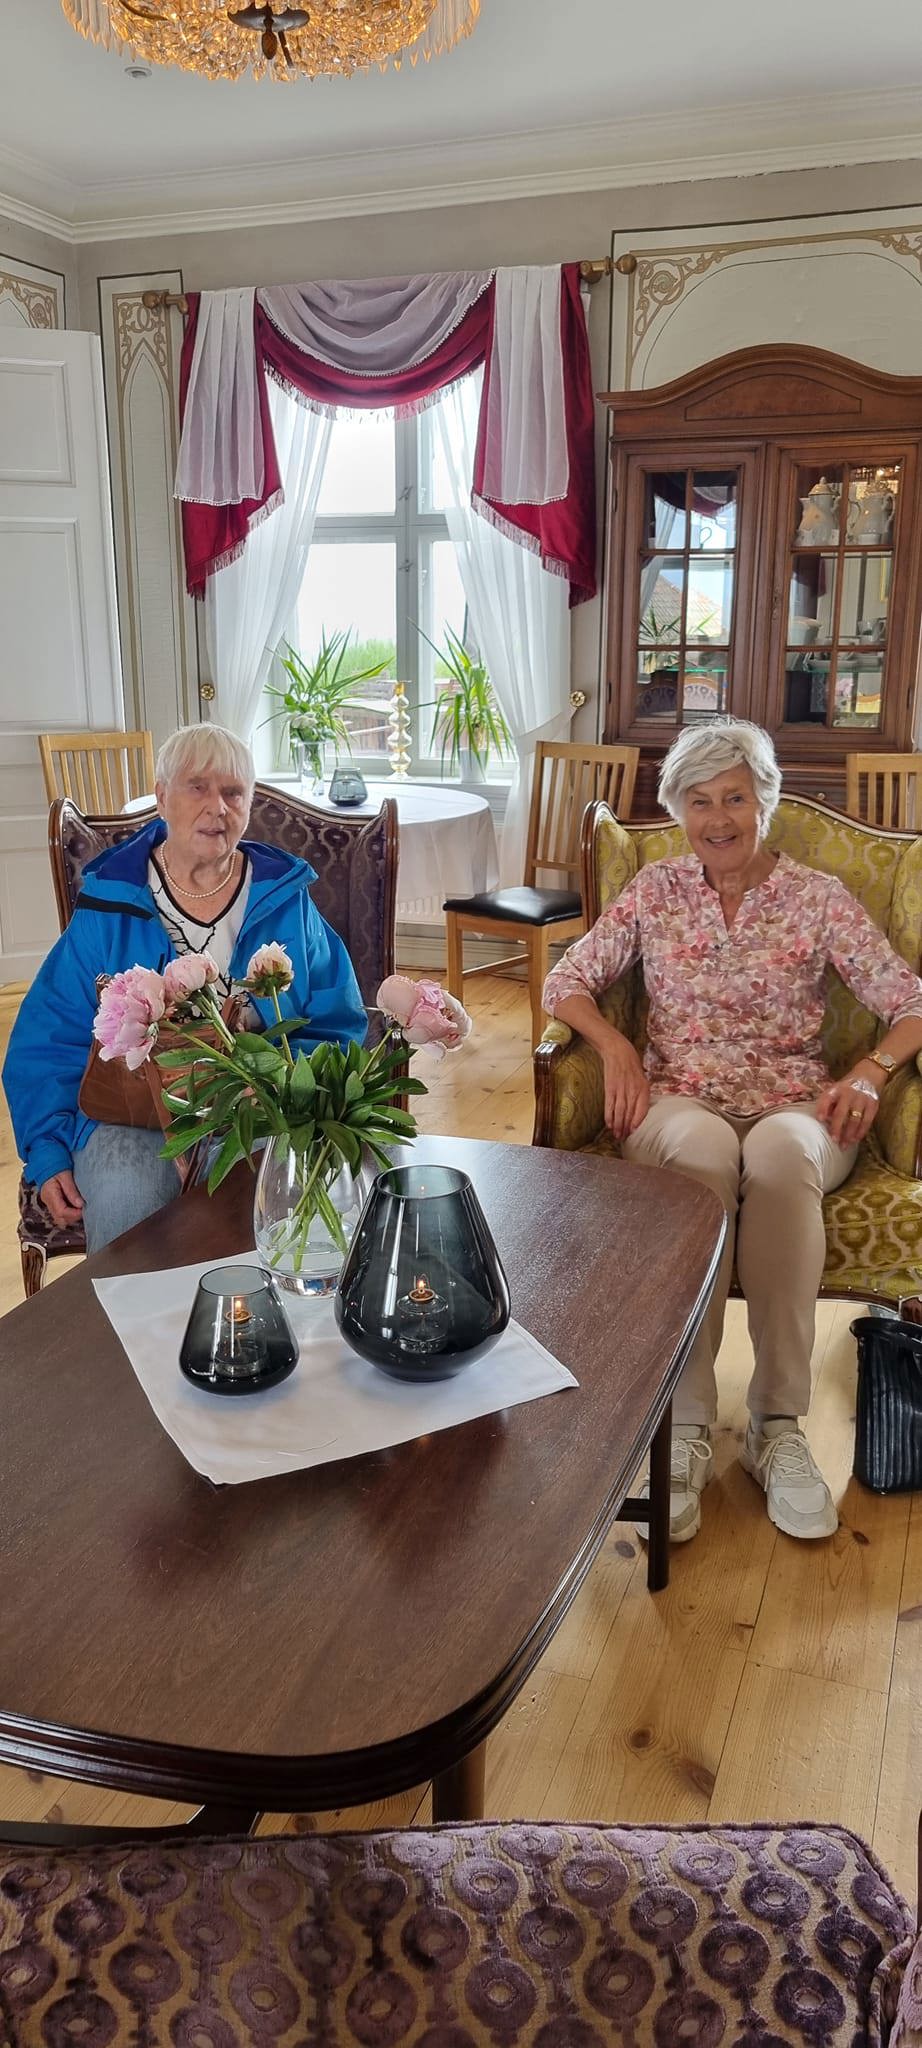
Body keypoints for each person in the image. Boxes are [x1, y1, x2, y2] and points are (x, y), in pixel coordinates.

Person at [543, 718, 922, 1544]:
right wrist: (614, 1046)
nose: (718, 819)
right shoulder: (656, 890)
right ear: (679, 811)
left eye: (736, 798)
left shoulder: (817, 897)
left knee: (781, 1156)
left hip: (797, 1104)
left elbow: (912, 1002)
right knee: (706, 1151)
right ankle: (683, 1427)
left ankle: (776, 1428)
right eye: (700, 801)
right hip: (678, 1101)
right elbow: (564, 980)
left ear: (765, 803)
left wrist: (871, 1070)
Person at [3, 723, 367, 1255]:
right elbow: (50, 1034)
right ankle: (131, 1311)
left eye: (233, 792)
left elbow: (338, 1022)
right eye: (197, 787)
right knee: (126, 1196)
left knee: (278, 1202)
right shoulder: (111, 901)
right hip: (131, 1111)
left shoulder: (285, 901)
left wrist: (290, 1085)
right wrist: (48, 1150)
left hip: (260, 1107)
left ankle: (265, 1308)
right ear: (161, 797)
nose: (217, 807)